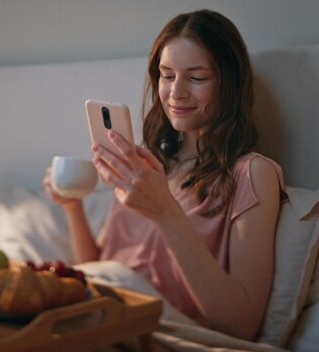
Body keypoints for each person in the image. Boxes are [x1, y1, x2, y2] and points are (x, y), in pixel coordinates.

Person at [43, 9, 285, 341]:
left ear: (230, 83)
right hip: (103, 323)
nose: (176, 93)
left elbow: (241, 323)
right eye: (166, 75)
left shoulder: (251, 173)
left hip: (158, 336)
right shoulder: (145, 164)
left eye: (197, 77)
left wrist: (165, 212)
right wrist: (72, 206)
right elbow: (98, 270)